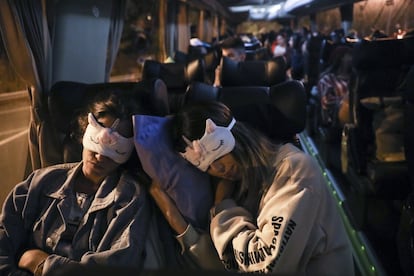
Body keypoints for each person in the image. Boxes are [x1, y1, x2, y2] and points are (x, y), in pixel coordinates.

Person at [153, 101, 354, 274]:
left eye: (217, 152)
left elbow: (265, 265)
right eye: (206, 166)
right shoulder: (242, 185)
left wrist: (223, 208)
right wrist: (175, 218)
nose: (218, 169)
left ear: (236, 133)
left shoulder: (295, 172)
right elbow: (228, 263)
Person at [0, 90, 165, 275]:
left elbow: (116, 265)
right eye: (97, 138)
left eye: (116, 147)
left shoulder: (129, 198)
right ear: (85, 128)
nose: (101, 155)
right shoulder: (39, 182)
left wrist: (42, 265)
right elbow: (3, 239)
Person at [317, 45, 353, 131]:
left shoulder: (354, 77)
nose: (352, 58)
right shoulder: (328, 79)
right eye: (349, 55)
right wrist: (346, 100)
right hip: (335, 119)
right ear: (341, 58)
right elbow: (326, 101)